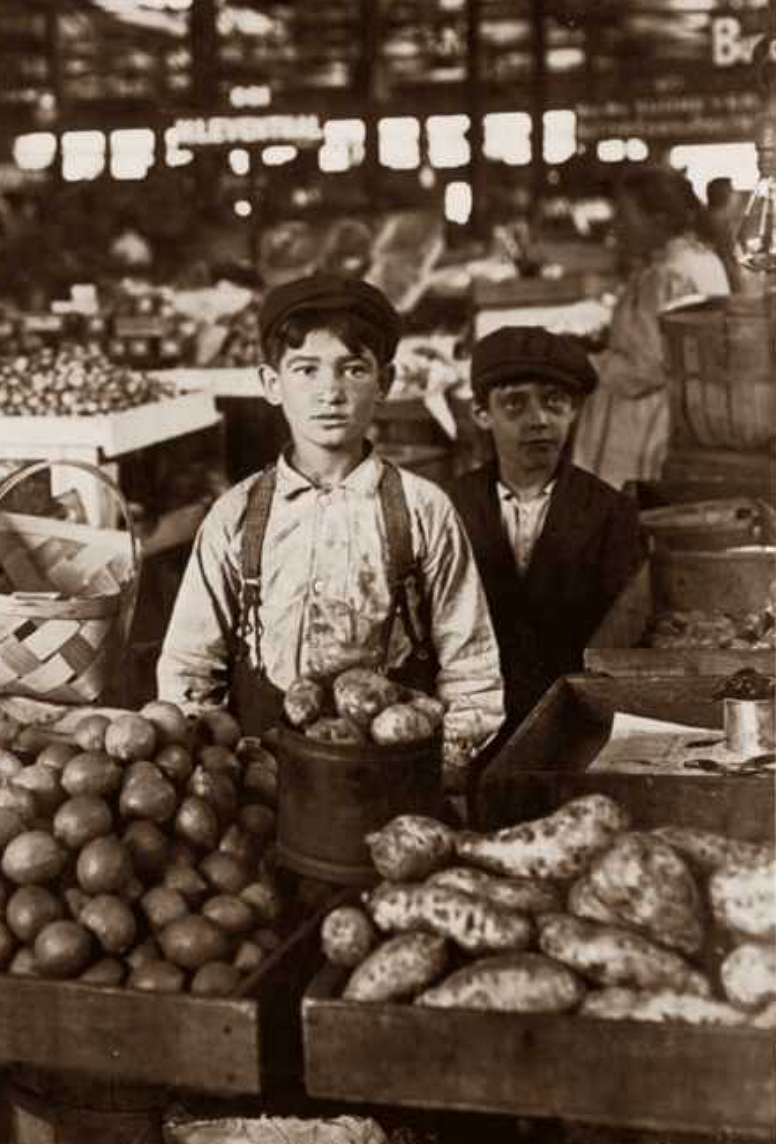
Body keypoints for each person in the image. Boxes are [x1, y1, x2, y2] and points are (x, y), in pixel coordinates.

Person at [156, 275, 504, 781]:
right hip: (262, 780)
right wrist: (210, 773)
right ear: (271, 384)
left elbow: (472, 669)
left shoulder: (423, 510)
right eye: (305, 370)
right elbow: (188, 669)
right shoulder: (236, 514)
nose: (330, 392)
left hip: (389, 776)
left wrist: (444, 770)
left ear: (384, 382)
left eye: (353, 369)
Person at [451, 327, 645, 734]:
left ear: (574, 411)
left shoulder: (611, 514)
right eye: (515, 404)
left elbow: (624, 644)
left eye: (554, 402)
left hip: (577, 727)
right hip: (471, 724)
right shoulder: (447, 509)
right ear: (481, 414)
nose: (538, 419)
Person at [572, 167, 730, 487]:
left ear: (657, 219)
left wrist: (580, 360)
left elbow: (643, 370)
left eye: (626, 216)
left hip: (642, 429)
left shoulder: (666, 276)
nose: (617, 227)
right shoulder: (702, 261)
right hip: (682, 421)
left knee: (624, 514)